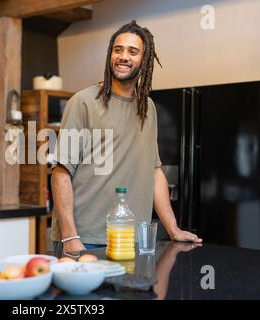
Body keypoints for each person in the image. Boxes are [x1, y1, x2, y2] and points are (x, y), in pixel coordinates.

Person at [51, 20, 203, 253]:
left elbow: (154, 171)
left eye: (133, 51)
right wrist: (70, 236)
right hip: (86, 238)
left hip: (130, 238)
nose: (123, 56)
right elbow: (61, 172)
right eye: (117, 49)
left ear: (144, 60)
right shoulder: (83, 102)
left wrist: (173, 229)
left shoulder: (147, 108)